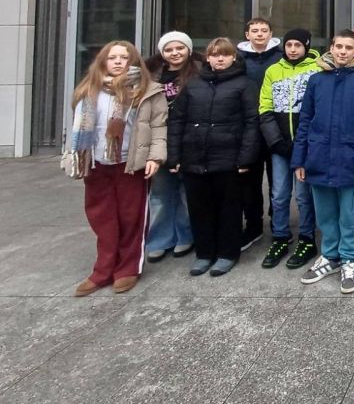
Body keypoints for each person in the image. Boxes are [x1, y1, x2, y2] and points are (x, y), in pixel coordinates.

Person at [70, 41, 167, 296]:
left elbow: (158, 127)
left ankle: (127, 269)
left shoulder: (146, 91)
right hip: (96, 164)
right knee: (102, 218)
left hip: (130, 164)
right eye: (112, 57)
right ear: (103, 61)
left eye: (123, 57)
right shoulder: (88, 90)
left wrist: (155, 158)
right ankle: (103, 270)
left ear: (132, 61)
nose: (117, 62)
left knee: (131, 217)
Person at [292, 31, 354, 294]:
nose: (343, 51)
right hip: (319, 157)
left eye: (348, 47)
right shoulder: (317, 80)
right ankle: (330, 256)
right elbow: (305, 121)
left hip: (351, 158)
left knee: (350, 215)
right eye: (339, 46)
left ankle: (349, 259)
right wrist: (300, 160)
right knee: (326, 214)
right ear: (331, 48)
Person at [167, 38, 259, 277]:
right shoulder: (193, 84)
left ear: (233, 58)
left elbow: (252, 123)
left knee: (229, 208)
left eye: (225, 54)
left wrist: (246, 158)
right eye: (215, 54)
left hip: (229, 158)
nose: (220, 59)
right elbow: (177, 121)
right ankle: (204, 253)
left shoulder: (244, 85)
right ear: (207, 58)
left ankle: (227, 253)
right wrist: (174, 155)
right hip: (194, 157)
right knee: (199, 208)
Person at [259, 28, 320, 270]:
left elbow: (319, 110)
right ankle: (280, 236)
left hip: (305, 146)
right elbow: (265, 108)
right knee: (279, 194)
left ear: (307, 46)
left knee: (304, 196)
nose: (293, 49)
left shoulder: (316, 70)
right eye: (289, 45)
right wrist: (276, 142)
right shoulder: (273, 71)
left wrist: (306, 143)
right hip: (280, 146)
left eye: (298, 45)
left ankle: (307, 238)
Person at [144, 31, 197, 262]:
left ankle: (185, 236)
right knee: (160, 193)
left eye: (180, 48)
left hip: (188, 138)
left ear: (188, 50)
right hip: (158, 139)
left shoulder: (199, 73)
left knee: (186, 193)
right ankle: (159, 240)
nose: (175, 53)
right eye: (169, 49)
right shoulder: (150, 74)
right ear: (162, 53)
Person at [237, 17, 281, 250]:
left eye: (264, 30)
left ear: (271, 33)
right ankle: (253, 225)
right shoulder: (238, 59)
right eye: (255, 31)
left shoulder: (281, 55)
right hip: (249, 127)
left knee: (278, 181)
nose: (260, 34)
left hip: (275, 126)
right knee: (249, 182)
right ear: (247, 35)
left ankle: (278, 224)